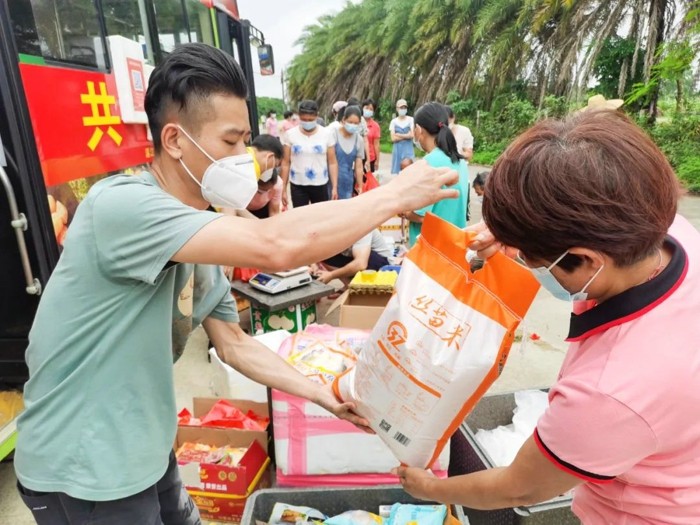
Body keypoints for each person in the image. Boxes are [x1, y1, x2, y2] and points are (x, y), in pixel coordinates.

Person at [13, 43, 459, 525]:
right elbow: (276, 245)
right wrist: (391, 196)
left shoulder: (195, 231)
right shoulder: (120, 207)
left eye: (246, 141)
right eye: (229, 142)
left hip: (142, 447)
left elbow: (235, 343)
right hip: (85, 466)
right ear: (175, 140)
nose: (242, 158)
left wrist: (323, 394)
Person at [395, 110, 700, 524]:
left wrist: (427, 487)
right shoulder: (667, 233)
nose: (523, 261)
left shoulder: (608, 393)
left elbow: (521, 485)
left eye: (531, 257)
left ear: (588, 260)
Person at [404, 102, 469, 246]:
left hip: (430, 249)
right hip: (455, 245)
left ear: (419, 129)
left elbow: (420, 215)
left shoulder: (427, 164)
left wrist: (404, 210)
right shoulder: (460, 162)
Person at [280, 99, 339, 208]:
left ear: (317, 116)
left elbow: (332, 162)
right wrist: (283, 188)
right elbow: (285, 163)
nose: (307, 122)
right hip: (298, 185)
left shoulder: (327, 134)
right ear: (299, 116)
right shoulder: (290, 135)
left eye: (311, 119)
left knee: (320, 217)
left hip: (320, 184)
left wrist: (334, 187)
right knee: (300, 218)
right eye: (304, 119)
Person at [314, 229, 393, 285]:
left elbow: (360, 265)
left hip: (383, 266)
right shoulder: (334, 230)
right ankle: (348, 286)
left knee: (365, 258)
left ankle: (359, 289)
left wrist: (331, 275)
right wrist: (313, 265)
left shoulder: (363, 226)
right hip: (357, 259)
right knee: (324, 255)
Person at [244, 134, 284, 218]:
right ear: (270, 157)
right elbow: (231, 208)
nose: (272, 170)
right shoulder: (248, 173)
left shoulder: (241, 157)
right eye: (274, 166)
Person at [333, 105, 365, 199]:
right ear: (343, 120)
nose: (353, 125)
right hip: (332, 181)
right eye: (350, 122)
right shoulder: (333, 134)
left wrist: (360, 186)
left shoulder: (358, 140)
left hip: (347, 181)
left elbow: (358, 167)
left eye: (356, 123)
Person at [390, 99, 415, 174]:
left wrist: (399, 134)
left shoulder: (411, 119)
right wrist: (406, 135)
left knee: (409, 171)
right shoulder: (394, 122)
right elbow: (393, 138)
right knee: (397, 172)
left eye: (404, 107)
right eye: (401, 108)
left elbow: (412, 135)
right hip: (397, 150)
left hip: (408, 149)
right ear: (397, 109)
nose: (403, 109)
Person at [363, 98, 381, 172]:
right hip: (358, 157)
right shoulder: (356, 122)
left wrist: (377, 160)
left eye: (371, 109)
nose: (368, 110)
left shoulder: (375, 126)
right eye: (366, 108)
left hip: (370, 158)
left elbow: (376, 144)